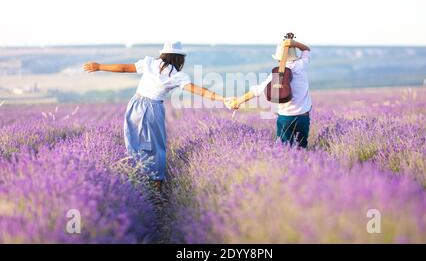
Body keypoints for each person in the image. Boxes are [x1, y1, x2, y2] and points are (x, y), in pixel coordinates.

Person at [83, 41, 229, 189]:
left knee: (133, 142)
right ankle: (155, 183)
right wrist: (222, 99)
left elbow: (123, 68)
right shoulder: (177, 75)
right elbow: (200, 91)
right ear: (179, 59)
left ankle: (136, 180)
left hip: (135, 104)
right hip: (153, 108)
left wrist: (100, 66)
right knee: (156, 146)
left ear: (163, 54)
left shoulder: (149, 63)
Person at [228, 36, 312, 148]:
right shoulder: (302, 65)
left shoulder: (276, 74)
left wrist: (238, 101)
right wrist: (294, 43)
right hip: (303, 117)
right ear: (294, 57)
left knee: (284, 149)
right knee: (302, 148)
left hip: (285, 117)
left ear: (278, 58)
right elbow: (306, 49)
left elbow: (257, 91)